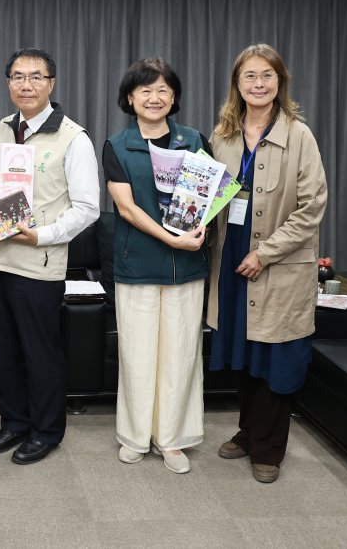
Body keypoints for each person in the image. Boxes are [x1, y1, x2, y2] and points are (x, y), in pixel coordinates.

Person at [207, 43, 328, 483]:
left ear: (280, 82)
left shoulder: (299, 134)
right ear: (236, 85)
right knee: (241, 352)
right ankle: (247, 429)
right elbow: (207, 196)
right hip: (231, 259)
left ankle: (268, 449)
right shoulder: (222, 135)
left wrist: (266, 253)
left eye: (267, 76)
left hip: (276, 263)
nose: (258, 84)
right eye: (249, 77)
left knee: (274, 356)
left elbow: (312, 206)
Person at [0, 48, 99, 465]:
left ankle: (46, 430)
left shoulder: (72, 138)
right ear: (8, 83)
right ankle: (13, 421)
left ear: (51, 84)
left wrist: (42, 235)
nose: (25, 84)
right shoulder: (2, 129)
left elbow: (87, 208)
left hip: (37, 262)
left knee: (39, 351)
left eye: (35, 77)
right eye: (17, 76)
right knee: (2, 349)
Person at [102, 57, 208, 474]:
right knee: (137, 353)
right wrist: (172, 239)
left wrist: (199, 230)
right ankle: (134, 435)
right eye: (145, 90)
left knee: (181, 353)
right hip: (138, 265)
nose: (154, 97)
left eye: (163, 89)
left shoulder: (195, 141)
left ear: (174, 97)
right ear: (130, 97)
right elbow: (126, 209)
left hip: (188, 267)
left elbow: (209, 196)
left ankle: (173, 439)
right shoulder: (116, 146)